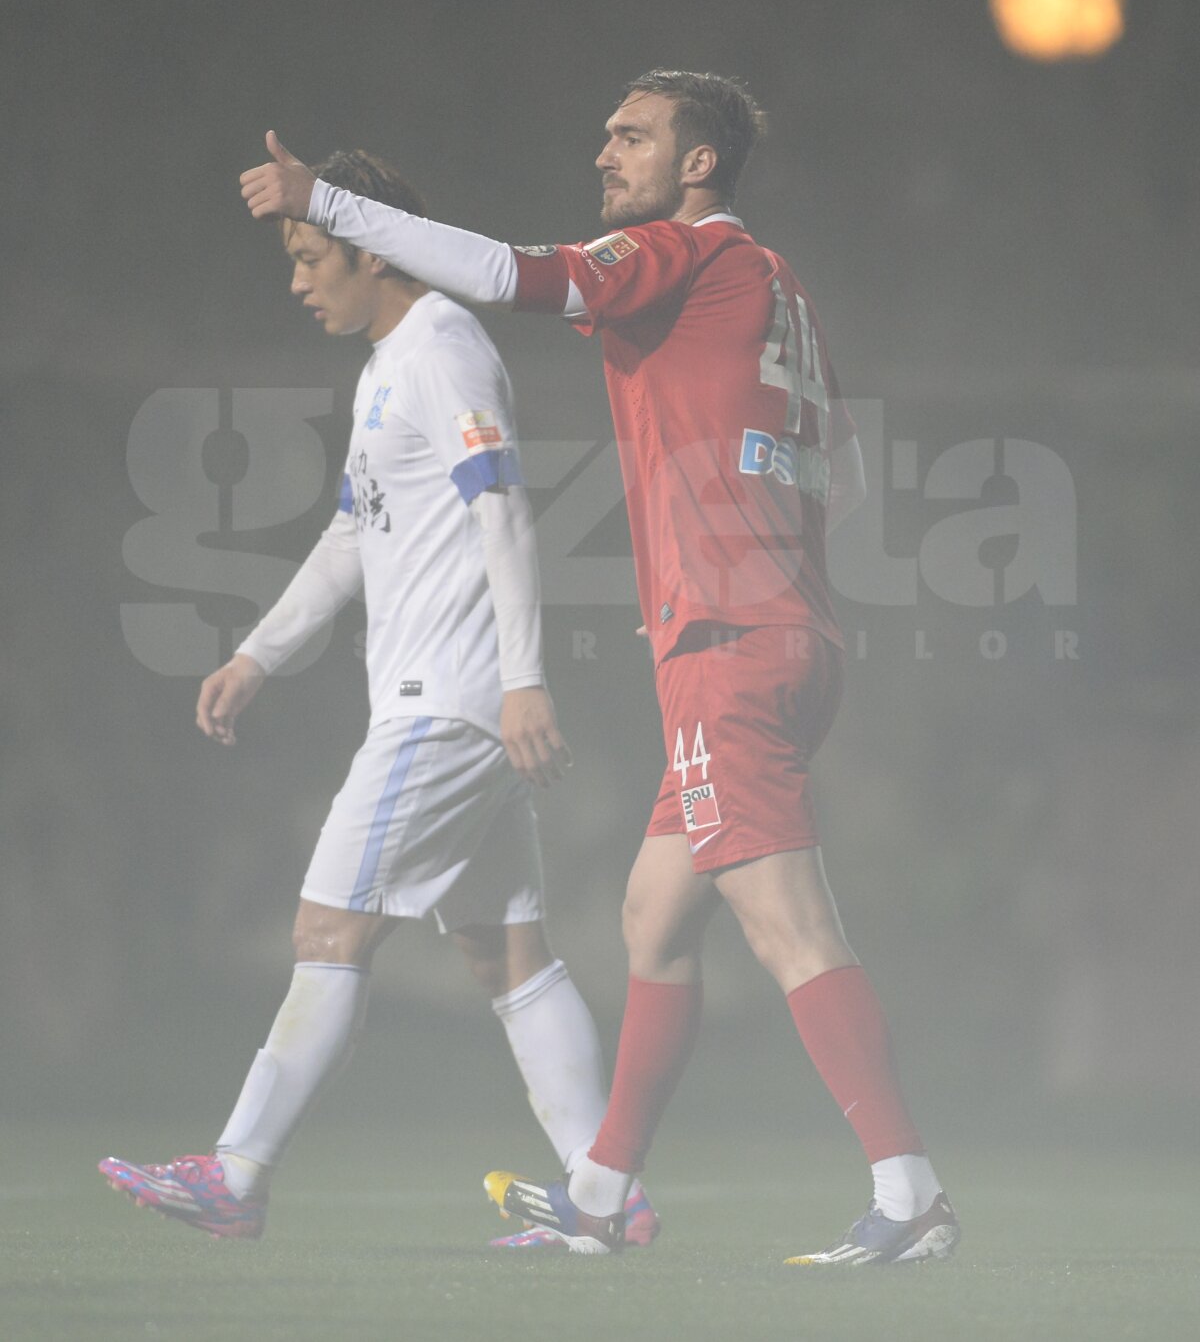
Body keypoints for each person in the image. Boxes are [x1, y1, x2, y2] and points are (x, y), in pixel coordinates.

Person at [237, 73, 959, 1267]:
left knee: (787, 925)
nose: (604, 153)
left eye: (633, 136)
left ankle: (908, 1188)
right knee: (652, 916)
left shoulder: (678, 252)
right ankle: (602, 1189)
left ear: (700, 164)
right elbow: (834, 468)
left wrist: (334, 203)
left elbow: (513, 273)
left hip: (731, 644)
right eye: (606, 135)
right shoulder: (782, 289)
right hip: (773, 631)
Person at [99, 150, 659, 1251]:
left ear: (375, 251)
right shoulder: (387, 364)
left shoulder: (444, 345)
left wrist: (522, 677)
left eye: (313, 257)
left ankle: (239, 1170)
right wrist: (260, 651)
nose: (300, 280)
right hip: (457, 705)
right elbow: (357, 530)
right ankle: (608, 1196)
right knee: (506, 954)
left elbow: (503, 505)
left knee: (327, 928)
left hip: (443, 705)